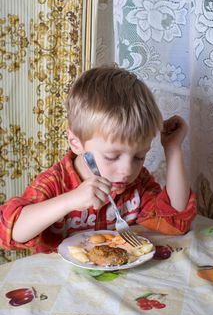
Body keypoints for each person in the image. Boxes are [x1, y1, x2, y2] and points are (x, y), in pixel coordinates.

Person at [0, 65, 196, 254]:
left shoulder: (137, 184)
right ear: (76, 143)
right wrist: (70, 200)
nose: (127, 169)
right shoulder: (55, 184)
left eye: (139, 156)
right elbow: (11, 232)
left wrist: (173, 149)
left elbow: (174, 221)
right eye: (112, 156)